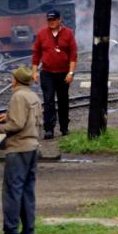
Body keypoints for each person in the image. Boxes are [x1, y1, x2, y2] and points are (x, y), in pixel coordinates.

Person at [0, 65, 41, 234]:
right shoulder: (33, 96)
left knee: (12, 191)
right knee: (27, 191)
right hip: (32, 147)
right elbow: (31, 118)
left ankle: (11, 232)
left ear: (16, 81)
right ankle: (29, 232)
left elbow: (17, 124)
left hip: (18, 148)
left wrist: (0, 128)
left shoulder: (18, 96)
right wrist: (9, 116)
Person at [32, 9, 77, 139]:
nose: (51, 22)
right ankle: (49, 129)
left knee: (63, 100)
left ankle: (64, 127)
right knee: (48, 100)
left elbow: (73, 55)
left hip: (63, 73)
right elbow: (36, 54)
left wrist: (71, 72)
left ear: (59, 20)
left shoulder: (68, 34)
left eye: (53, 20)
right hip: (47, 73)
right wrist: (34, 72)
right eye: (49, 20)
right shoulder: (42, 34)